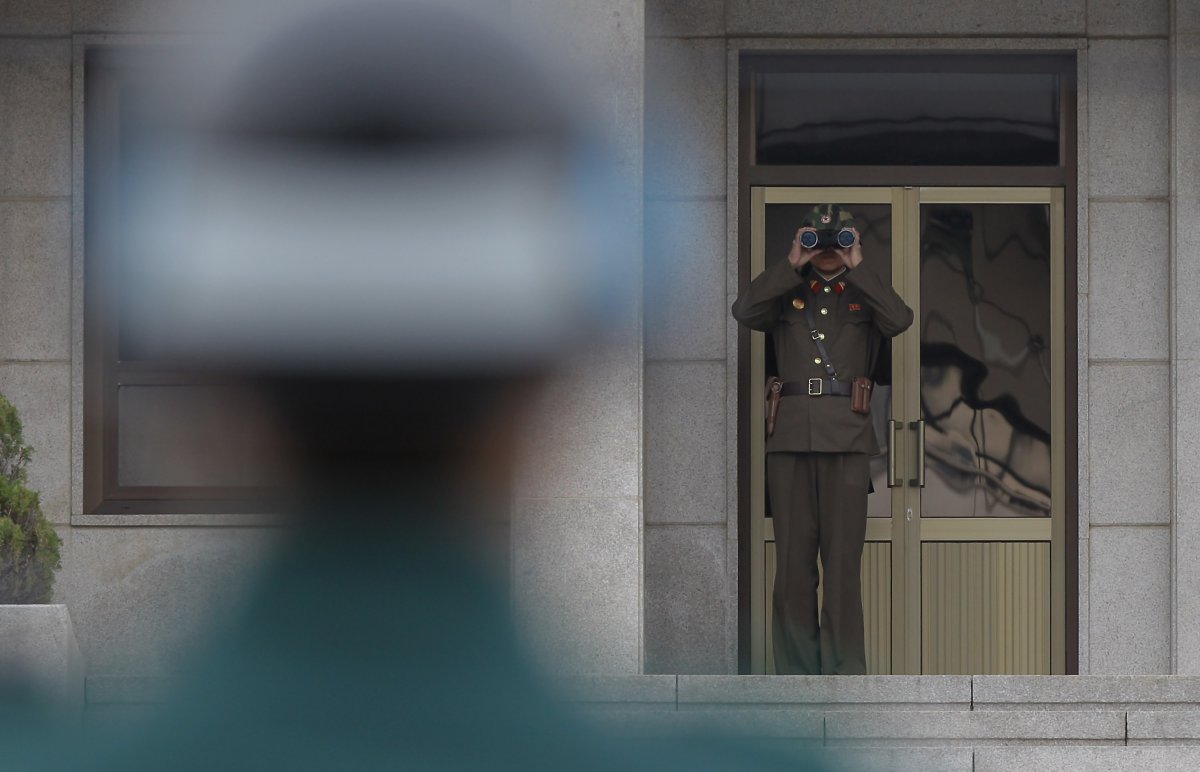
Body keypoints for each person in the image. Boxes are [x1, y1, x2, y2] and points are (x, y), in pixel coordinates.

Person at [732, 205, 913, 675]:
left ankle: (844, 673)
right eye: (820, 241)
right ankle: (795, 674)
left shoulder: (864, 295)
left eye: (837, 242)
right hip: (790, 440)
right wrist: (792, 260)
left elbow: (899, 320)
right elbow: (744, 310)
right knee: (792, 567)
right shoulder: (787, 293)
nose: (828, 251)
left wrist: (859, 265)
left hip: (848, 442)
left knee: (842, 569)